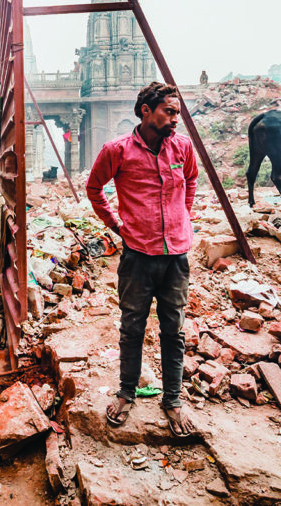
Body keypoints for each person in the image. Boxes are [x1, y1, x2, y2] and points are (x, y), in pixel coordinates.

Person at [85, 81, 198, 437]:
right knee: (132, 326)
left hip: (176, 255)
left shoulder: (182, 147)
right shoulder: (116, 150)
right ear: (147, 111)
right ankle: (125, 394)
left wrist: (185, 216)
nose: (176, 119)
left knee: (173, 330)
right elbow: (94, 188)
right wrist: (116, 226)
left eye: (178, 112)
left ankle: (173, 401)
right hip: (137, 254)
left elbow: (191, 181)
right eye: (169, 111)